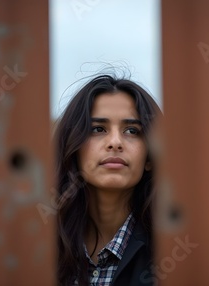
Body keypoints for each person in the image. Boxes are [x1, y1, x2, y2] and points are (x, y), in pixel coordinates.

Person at [54, 74, 163, 285]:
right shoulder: (39, 247)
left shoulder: (173, 250)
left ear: (150, 155)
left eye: (132, 130)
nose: (115, 142)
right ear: (73, 148)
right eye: (98, 129)